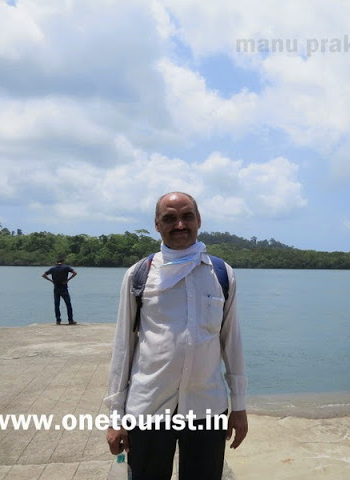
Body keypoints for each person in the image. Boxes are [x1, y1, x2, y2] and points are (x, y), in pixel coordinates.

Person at [104, 192, 248, 480]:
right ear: (157, 224)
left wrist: (240, 406)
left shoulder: (221, 273)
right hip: (149, 407)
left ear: (199, 220)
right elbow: (123, 348)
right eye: (169, 218)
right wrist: (115, 418)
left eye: (187, 216)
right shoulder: (139, 275)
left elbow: (231, 343)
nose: (180, 224)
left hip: (207, 407)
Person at [42, 257, 77, 325]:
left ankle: (58, 320)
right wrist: (68, 280)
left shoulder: (53, 268)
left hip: (56, 287)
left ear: (56, 262)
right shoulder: (66, 267)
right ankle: (70, 320)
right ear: (63, 262)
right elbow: (75, 273)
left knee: (57, 304)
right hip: (63, 287)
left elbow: (43, 275)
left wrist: (51, 281)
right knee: (68, 304)